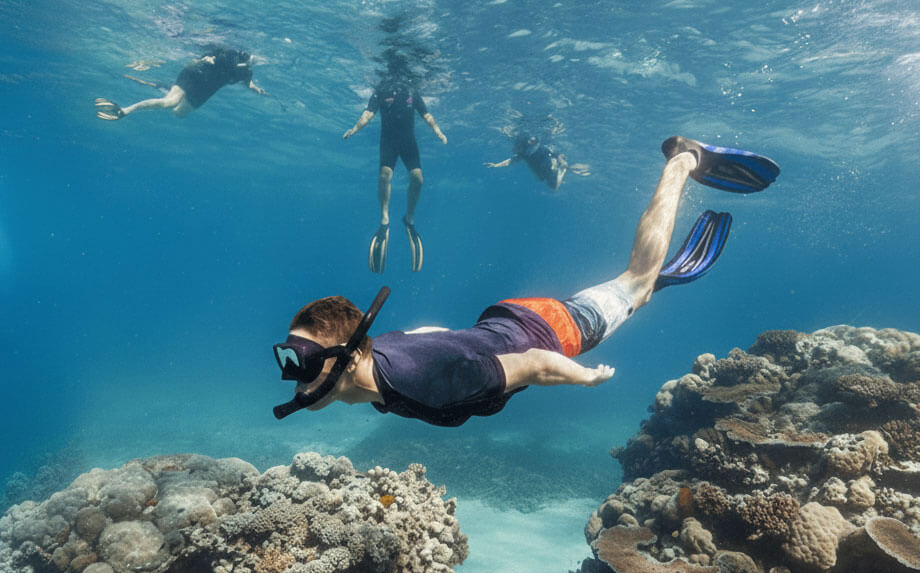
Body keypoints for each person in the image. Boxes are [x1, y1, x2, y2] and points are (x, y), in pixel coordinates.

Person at [270, 135, 780, 424]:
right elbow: (422, 334)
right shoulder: (372, 365)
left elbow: (535, 364)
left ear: (354, 352)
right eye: (292, 359)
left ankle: (682, 160)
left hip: (550, 332)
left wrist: (586, 376)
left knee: (638, 281)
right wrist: (460, 341)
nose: (298, 374)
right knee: (623, 293)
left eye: (307, 360)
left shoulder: (428, 380)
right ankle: (637, 290)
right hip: (505, 320)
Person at [343, 78, 447, 273]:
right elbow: (368, 113)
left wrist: (439, 132)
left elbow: (426, 115)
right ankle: (384, 219)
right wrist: (355, 129)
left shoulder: (412, 91)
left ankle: (409, 219)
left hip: (408, 142)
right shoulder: (381, 90)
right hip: (388, 141)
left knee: (418, 178)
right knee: (384, 175)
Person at [94, 46, 265, 120]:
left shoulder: (246, 71)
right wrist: (206, 59)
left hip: (204, 91)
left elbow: (248, 82)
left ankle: (168, 89)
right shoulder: (228, 54)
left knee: (179, 114)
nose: (248, 62)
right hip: (195, 76)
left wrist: (255, 88)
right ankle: (125, 110)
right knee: (170, 103)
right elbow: (206, 56)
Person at [486, 132, 591, 190]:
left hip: (548, 163)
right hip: (543, 168)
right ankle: (562, 169)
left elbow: (557, 154)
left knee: (552, 183)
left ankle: (562, 169)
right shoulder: (525, 154)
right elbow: (512, 160)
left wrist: (563, 164)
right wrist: (496, 165)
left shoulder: (540, 148)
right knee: (549, 183)